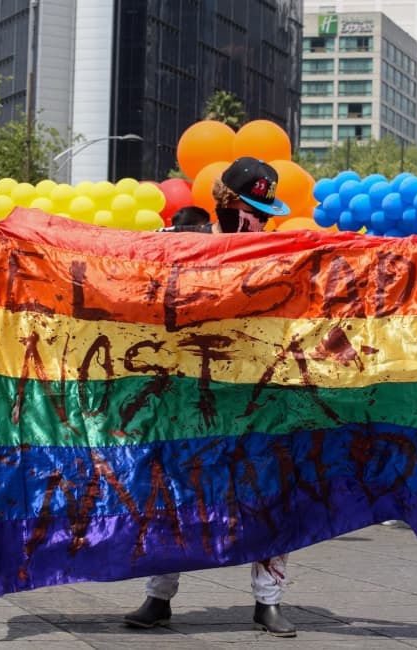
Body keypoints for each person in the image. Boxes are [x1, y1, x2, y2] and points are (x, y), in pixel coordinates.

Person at [124, 157, 296, 637]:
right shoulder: (183, 247)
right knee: (172, 492)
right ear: (229, 202)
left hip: (260, 398)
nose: (261, 219)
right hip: (190, 396)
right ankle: (158, 597)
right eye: (254, 208)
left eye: (267, 211)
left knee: (269, 497)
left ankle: (269, 602)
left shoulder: (281, 252)